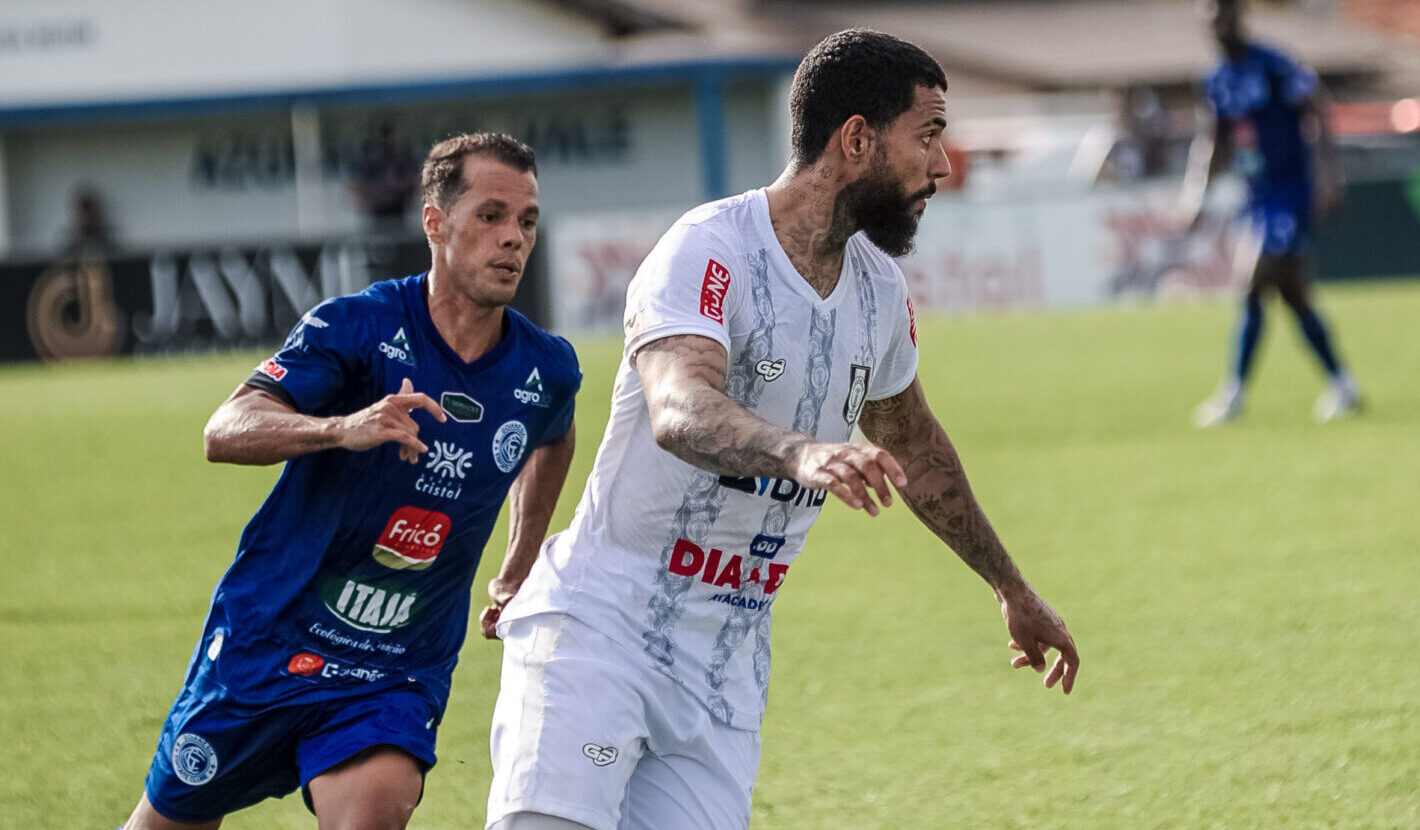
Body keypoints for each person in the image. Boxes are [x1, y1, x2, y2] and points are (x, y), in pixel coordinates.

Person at [483, 29, 1079, 830]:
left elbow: (917, 445)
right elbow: (678, 408)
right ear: (858, 139)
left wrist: (1009, 586)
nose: (944, 166)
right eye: (929, 136)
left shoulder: (880, 293)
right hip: (604, 637)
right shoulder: (709, 249)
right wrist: (802, 451)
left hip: (723, 673)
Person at [120, 132, 581, 830]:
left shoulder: (546, 367)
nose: (513, 238)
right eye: (490, 216)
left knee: (373, 813)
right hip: (271, 636)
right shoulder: (356, 327)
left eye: (526, 221)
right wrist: (339, 428)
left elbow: (554, 434)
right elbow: (226, 428)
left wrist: (518, 567)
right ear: (436, 222)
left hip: (393, 665)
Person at [1181, 0, 1360, 427]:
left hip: (1292, 193)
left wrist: (1328, 177)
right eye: (1211, 19)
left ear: (1238, 18)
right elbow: (1214, 143)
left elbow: (1317, 108)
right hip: (1257, 198)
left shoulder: (1272, 64)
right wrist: (1195, 196)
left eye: (1225, 16)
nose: (1219, 26)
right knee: (1292, 295)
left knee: (1251, 281)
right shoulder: (1216, 80)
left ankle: (1234, 394)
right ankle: (1342, 385)